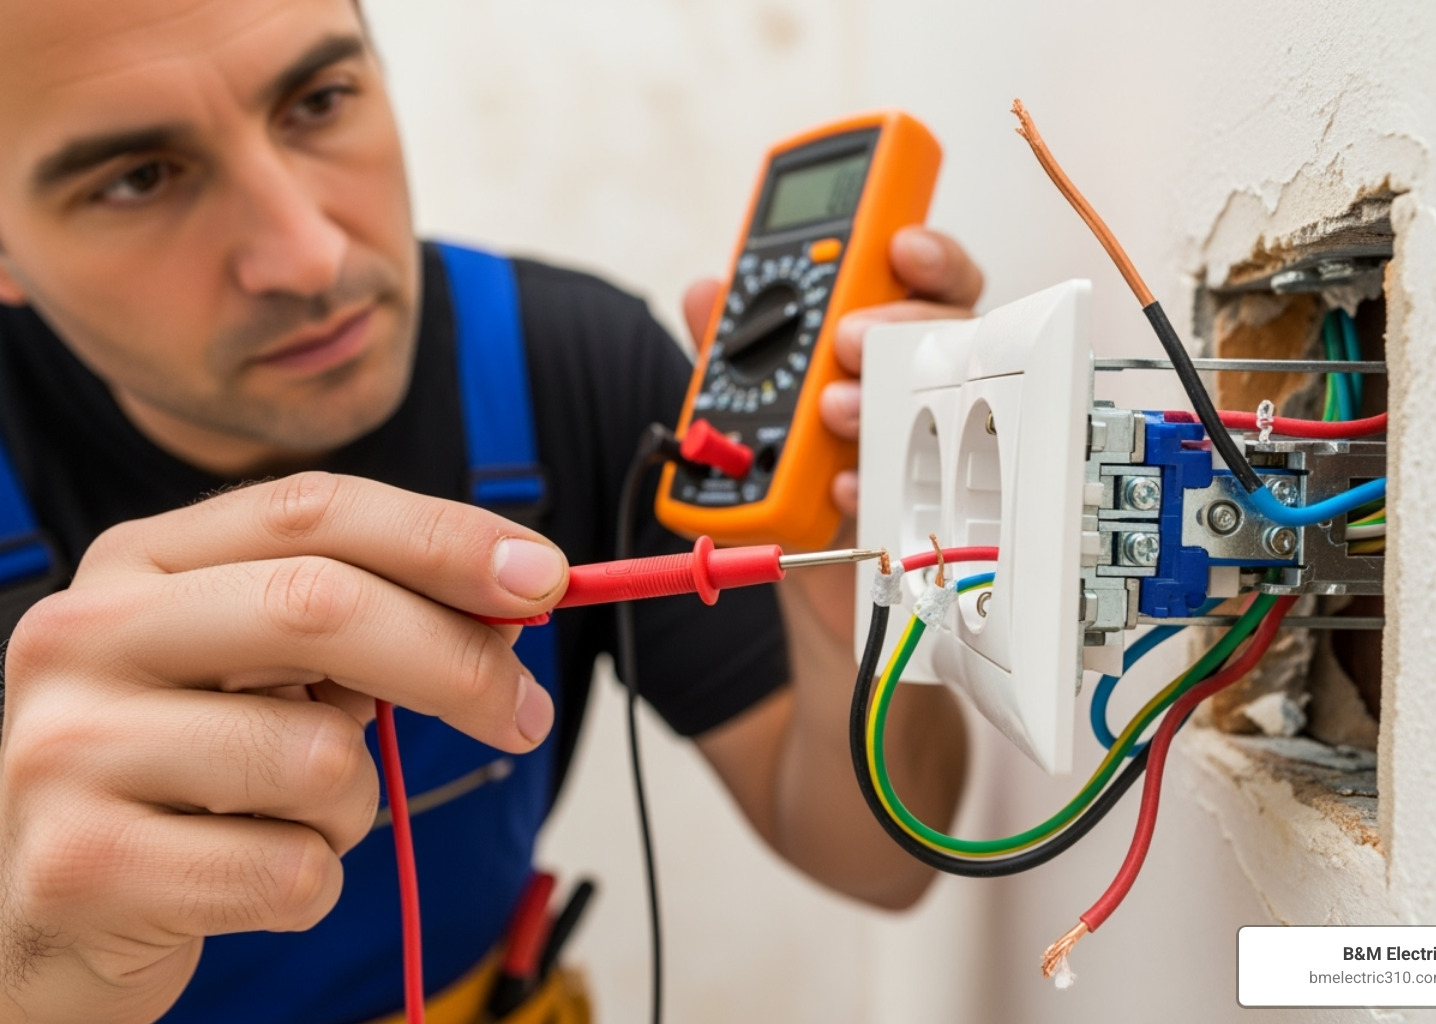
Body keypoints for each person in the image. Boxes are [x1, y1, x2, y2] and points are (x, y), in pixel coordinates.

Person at [0, 1, 984, 1022]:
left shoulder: (569, 365)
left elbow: (882, 863)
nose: (308, 258)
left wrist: (859, 630)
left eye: (321, 100)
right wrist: (24, 961)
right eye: (138, 178)